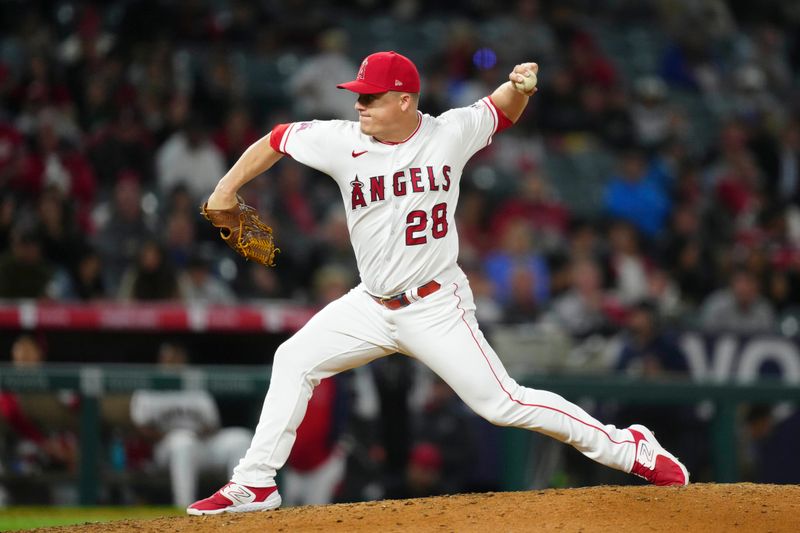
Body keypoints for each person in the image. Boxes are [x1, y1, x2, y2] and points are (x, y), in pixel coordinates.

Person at [187, 51, 689, 516]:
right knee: (292, 359)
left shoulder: (449, 133)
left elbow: (501, 109)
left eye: (371, 96)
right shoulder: (342, 140)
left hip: (434, 305)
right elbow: (277, 138)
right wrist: (226, 187)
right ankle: (254, 481)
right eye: (358, 95)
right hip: (369, 304)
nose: (359, 104)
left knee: (503, 404)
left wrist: (521, 87)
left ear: (405, 99)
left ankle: (630, 448)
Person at [129, 342, 252, 507]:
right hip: (166, 449)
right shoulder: (150, 388)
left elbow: (213, 424)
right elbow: (140, 427)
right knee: (183, 442)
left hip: (200, 443)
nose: (174, 362)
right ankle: (185, 507)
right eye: (170, 357)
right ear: (161, 360)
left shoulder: (194, 385)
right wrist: (170, 435)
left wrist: (200, 433)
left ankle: (241, 503)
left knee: (240, 438)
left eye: (178, 357)